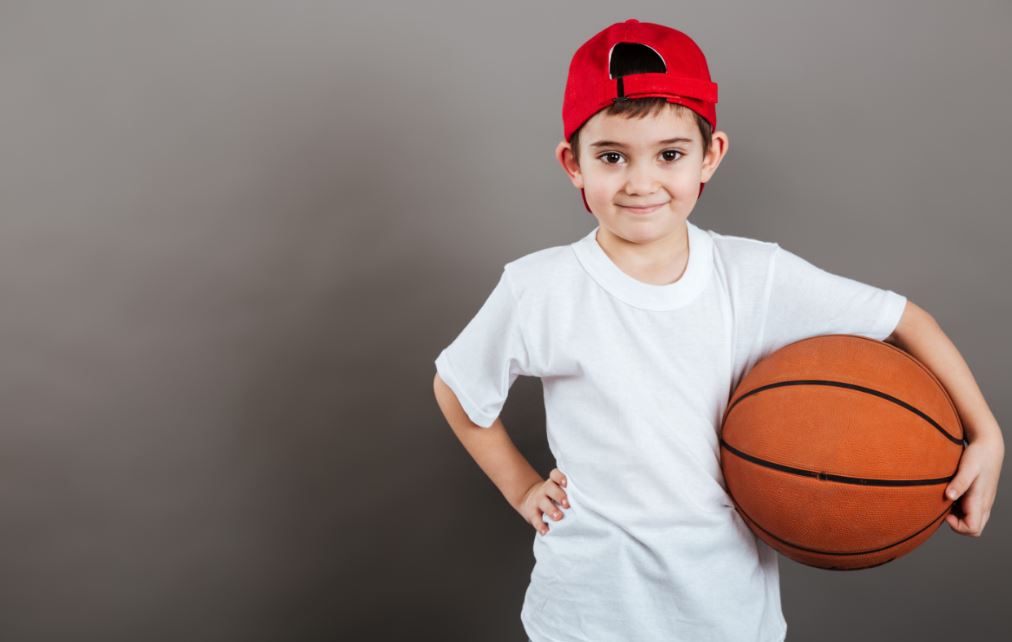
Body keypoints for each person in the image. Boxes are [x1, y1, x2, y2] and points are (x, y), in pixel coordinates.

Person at [432, 18, 1004, 642]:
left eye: (670, 155)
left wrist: (987, 435)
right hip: (587, 610)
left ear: (711, 156)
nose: (641, 181)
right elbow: (457, 389)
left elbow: (907, 321)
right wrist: (522, 490)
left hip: (726, 612)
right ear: (573, 164)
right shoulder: (540, 286)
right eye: (612, 156)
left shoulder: (753, 274)